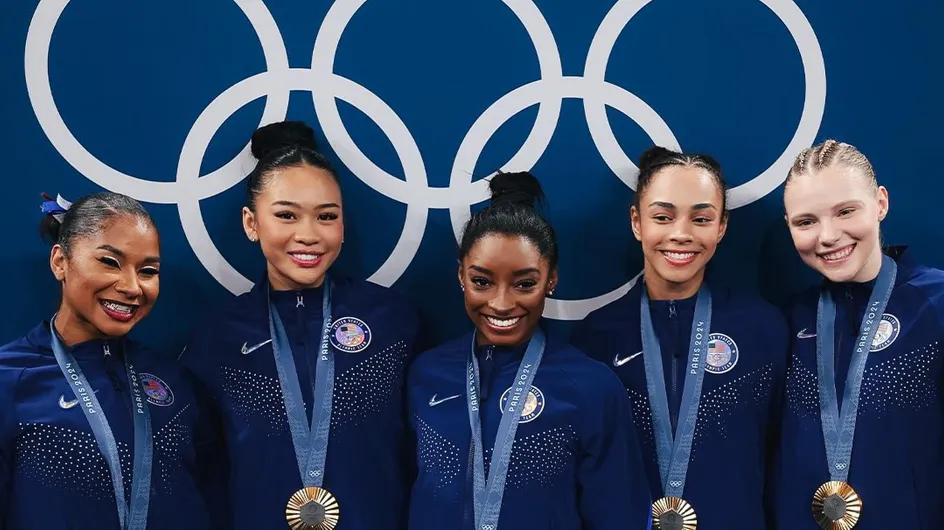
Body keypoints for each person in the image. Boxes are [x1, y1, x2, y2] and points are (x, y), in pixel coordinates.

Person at [179, 120, 421, 530]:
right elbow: (202, 469)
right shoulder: (217, 335)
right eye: (286, 215)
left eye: (326, 216)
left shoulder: (393, 320)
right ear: (251, 223)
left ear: (343, 225)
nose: (307, 235)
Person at [407, 171, 651, 530]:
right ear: (461, 276)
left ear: (551, 280)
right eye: (481, 281)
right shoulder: (426, 375)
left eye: (524, 284)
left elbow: (621, 517)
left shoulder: (592, 387)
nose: (501, 303)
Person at [571, 147, 789, 530]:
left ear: (721, 226)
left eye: (701, 218)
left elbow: (783, 459)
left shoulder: (764, 329)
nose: (681, 234)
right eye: (662, 216)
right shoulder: (594, 338)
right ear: (637, 222)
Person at [0, 192, 219, 529]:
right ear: (60, 261)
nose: (132, 287)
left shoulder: (174, 380)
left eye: (148, 270)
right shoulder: (10, 378)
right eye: (109, 262)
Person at [771, 139, 944, 530]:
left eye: (845, 211)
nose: (828, 235)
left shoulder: (935, 304)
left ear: (880, 203)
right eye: (806, 221)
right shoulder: (787, 320)